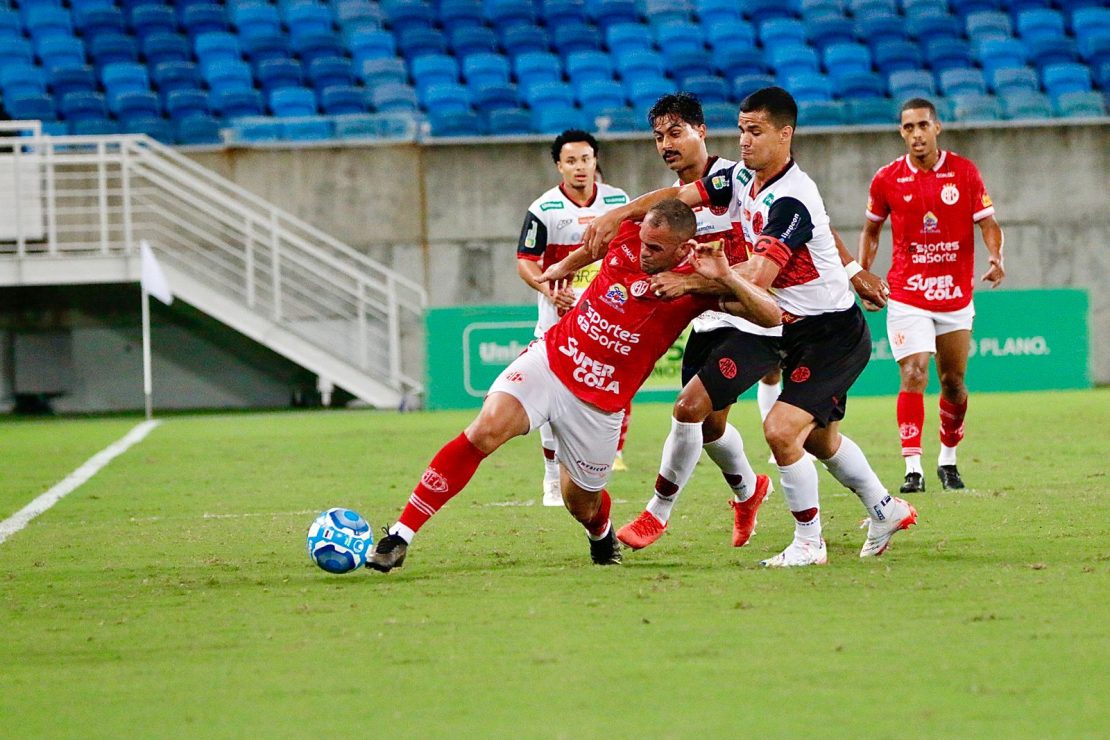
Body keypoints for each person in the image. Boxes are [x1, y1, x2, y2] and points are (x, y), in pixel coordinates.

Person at [585, 87, 917, 566]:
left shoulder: (791, 202)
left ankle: (808, 544)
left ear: (785, 135)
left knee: (781, 431)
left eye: (755, 131)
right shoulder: (744, 177)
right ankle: (885, 508)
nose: (743, 141)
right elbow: (680, 196)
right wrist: (620, 213)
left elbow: (759, 278)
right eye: (741, 129)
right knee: (819, 440)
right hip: (791, 328)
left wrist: (692, 283)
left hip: (831, 333)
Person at [367, 200, 781, 572]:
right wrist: (564, 266)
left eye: (655, 249)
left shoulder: (694, 284)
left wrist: (722, 278)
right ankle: (401, 535)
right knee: (485, 430)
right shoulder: (625, 238)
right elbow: (594, 245)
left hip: (600, 405)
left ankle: (600, 535)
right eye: (642, 242)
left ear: (682, 249)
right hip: (551, 361)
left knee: (580, 502)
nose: (643, 252)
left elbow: (770, 316)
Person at [615, 93, 781, 551]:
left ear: (701, 132)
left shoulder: (733, 176)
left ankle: (656, 513)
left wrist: (849, 272)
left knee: (689, 409)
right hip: (708, 321)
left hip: (752, 318)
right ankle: (750, 491)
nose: (666, 144)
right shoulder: (665, 210)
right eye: (658, 137)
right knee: (708, 427)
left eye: (676, 133)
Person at [858, 98, 1004, 493]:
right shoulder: (887, 178)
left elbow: (988, 223)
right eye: (908, 127)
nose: (916, 134)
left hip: (955, 296)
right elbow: (871, 230)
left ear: (937, 128)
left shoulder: (964, 172)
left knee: (953, 383)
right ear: (901, 132)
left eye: (923, 125)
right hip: (907, 293)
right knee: (914, 372)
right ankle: (913, 468)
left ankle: (948, 459)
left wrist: (995, 255)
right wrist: (863, 274)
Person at [516, 129, 632, 507]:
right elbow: (526, 262)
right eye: (571, 161)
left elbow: (631, 252)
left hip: (607, 320)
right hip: (557, 322)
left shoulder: (618, 202)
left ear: (595, 160)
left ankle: (598, 468)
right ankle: (552, 478)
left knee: (605, 395)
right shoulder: (544, 209)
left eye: (585, 159)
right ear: (559, 166)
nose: (579, 167)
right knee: (550, 398)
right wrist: (550, 291)